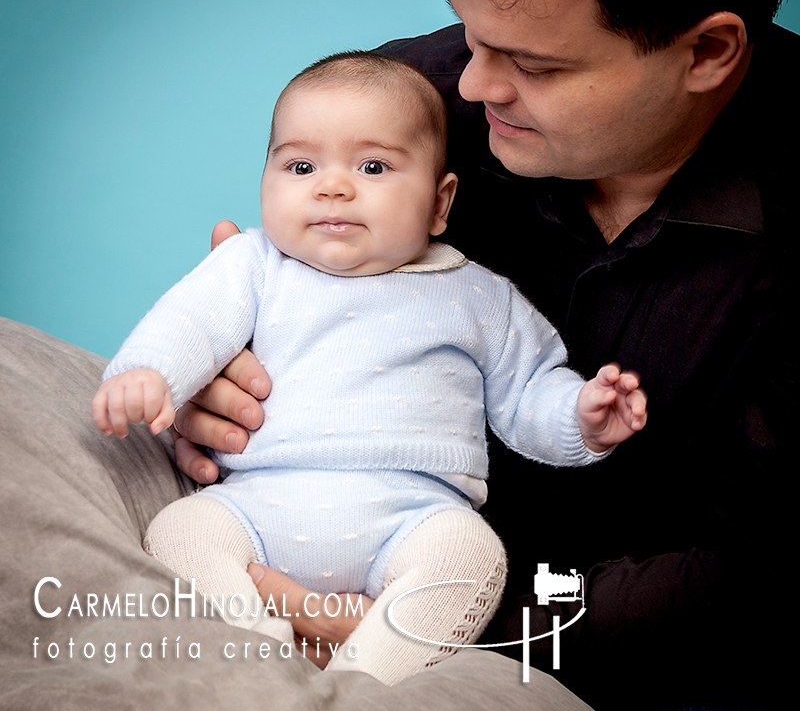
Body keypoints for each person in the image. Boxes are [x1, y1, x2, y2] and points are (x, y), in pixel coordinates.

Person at [167, 0, 796, 708]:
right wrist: (217, 374)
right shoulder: (405, 115)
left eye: (533, 63)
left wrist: (443, 623)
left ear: (707, 51)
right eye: (470, 32)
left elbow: (759, 577)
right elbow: (264, 314)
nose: (472, 84)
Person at [92, 51, 647, 686]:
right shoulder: (252, 264)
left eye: (373, 166)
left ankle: (367, 682)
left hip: (413, 518)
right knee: (181, 532)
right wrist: (148, 373)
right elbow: (190, 323)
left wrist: (581, 417)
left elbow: (529, 392)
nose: (332, 186)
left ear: (440, 205)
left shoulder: (476, 295)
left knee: (472, 556)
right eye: (301, 166)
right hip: (257, 507)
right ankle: (257, 657)